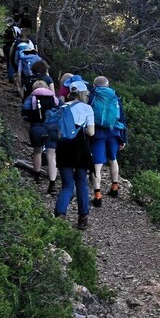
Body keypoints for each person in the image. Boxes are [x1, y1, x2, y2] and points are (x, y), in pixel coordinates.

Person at [54, 80, 95, 230]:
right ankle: (83, 218)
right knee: (82, 183)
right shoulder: (87, 109)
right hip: (80, 148)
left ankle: (60, 215)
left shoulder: (63, 107)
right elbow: (91, 132)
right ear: (83, 93)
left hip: (63, 147)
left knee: (67, 184)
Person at [89, 76, 127, 206]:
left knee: (97, 165)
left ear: (94, 85)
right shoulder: (114, 96)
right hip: (114, 132)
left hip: (97, 133)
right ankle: (114, 187)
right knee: (113, 159)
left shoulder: (92, 95)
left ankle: (97, 195)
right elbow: (121, 117)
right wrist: (123, 138)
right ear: (107, 85)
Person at [21, 80, 59, 194]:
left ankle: (36, 176)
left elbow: (25, 113)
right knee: (52, 155)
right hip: (52, 129)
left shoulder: (30, 99)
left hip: (36, 128)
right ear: (47, 87)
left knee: (37, 151)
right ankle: (52, 183)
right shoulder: (55, 99)